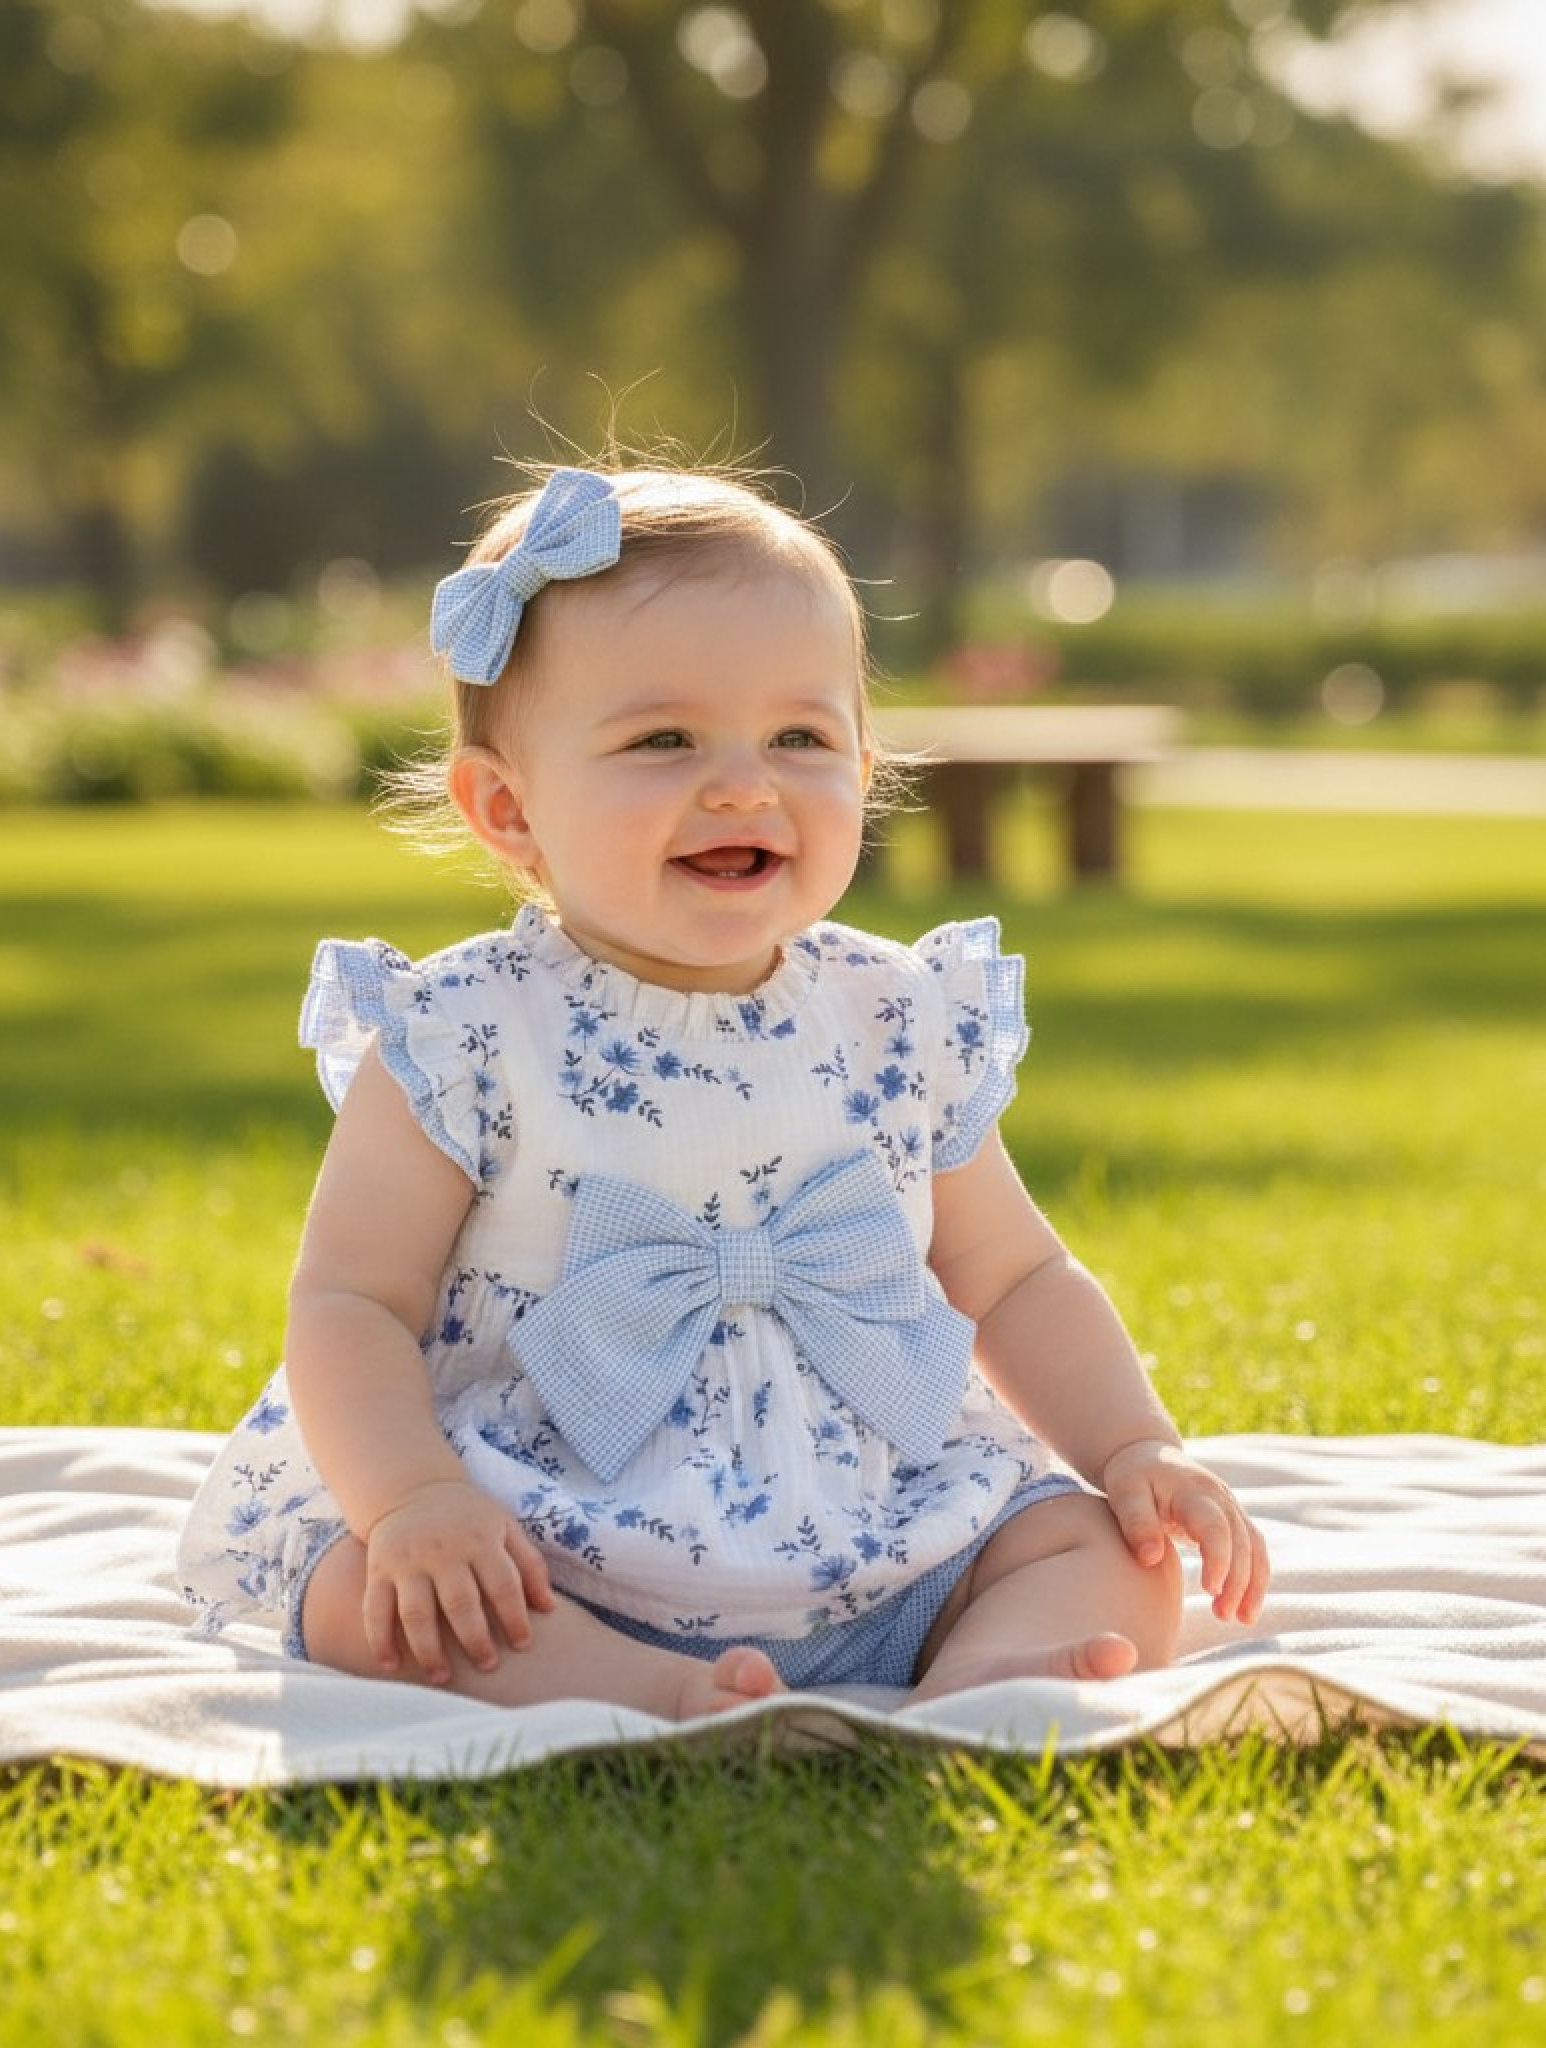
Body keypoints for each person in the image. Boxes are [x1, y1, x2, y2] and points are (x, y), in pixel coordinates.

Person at [177, 462, 1268, 1719]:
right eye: (663, 739)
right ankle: (643, 1689)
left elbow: (1015, 1275)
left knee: (1102, 1550)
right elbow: (352, 1298)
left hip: (886, 1519)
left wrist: (1136, 1448)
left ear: (864, 765)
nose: (743, 783)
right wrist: (415, 1498)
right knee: (370, 1591)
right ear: (505, 806)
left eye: (799, 736)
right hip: (554, 1537)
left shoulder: (893, 1016)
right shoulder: (465, 1030)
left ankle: (973, 1677)